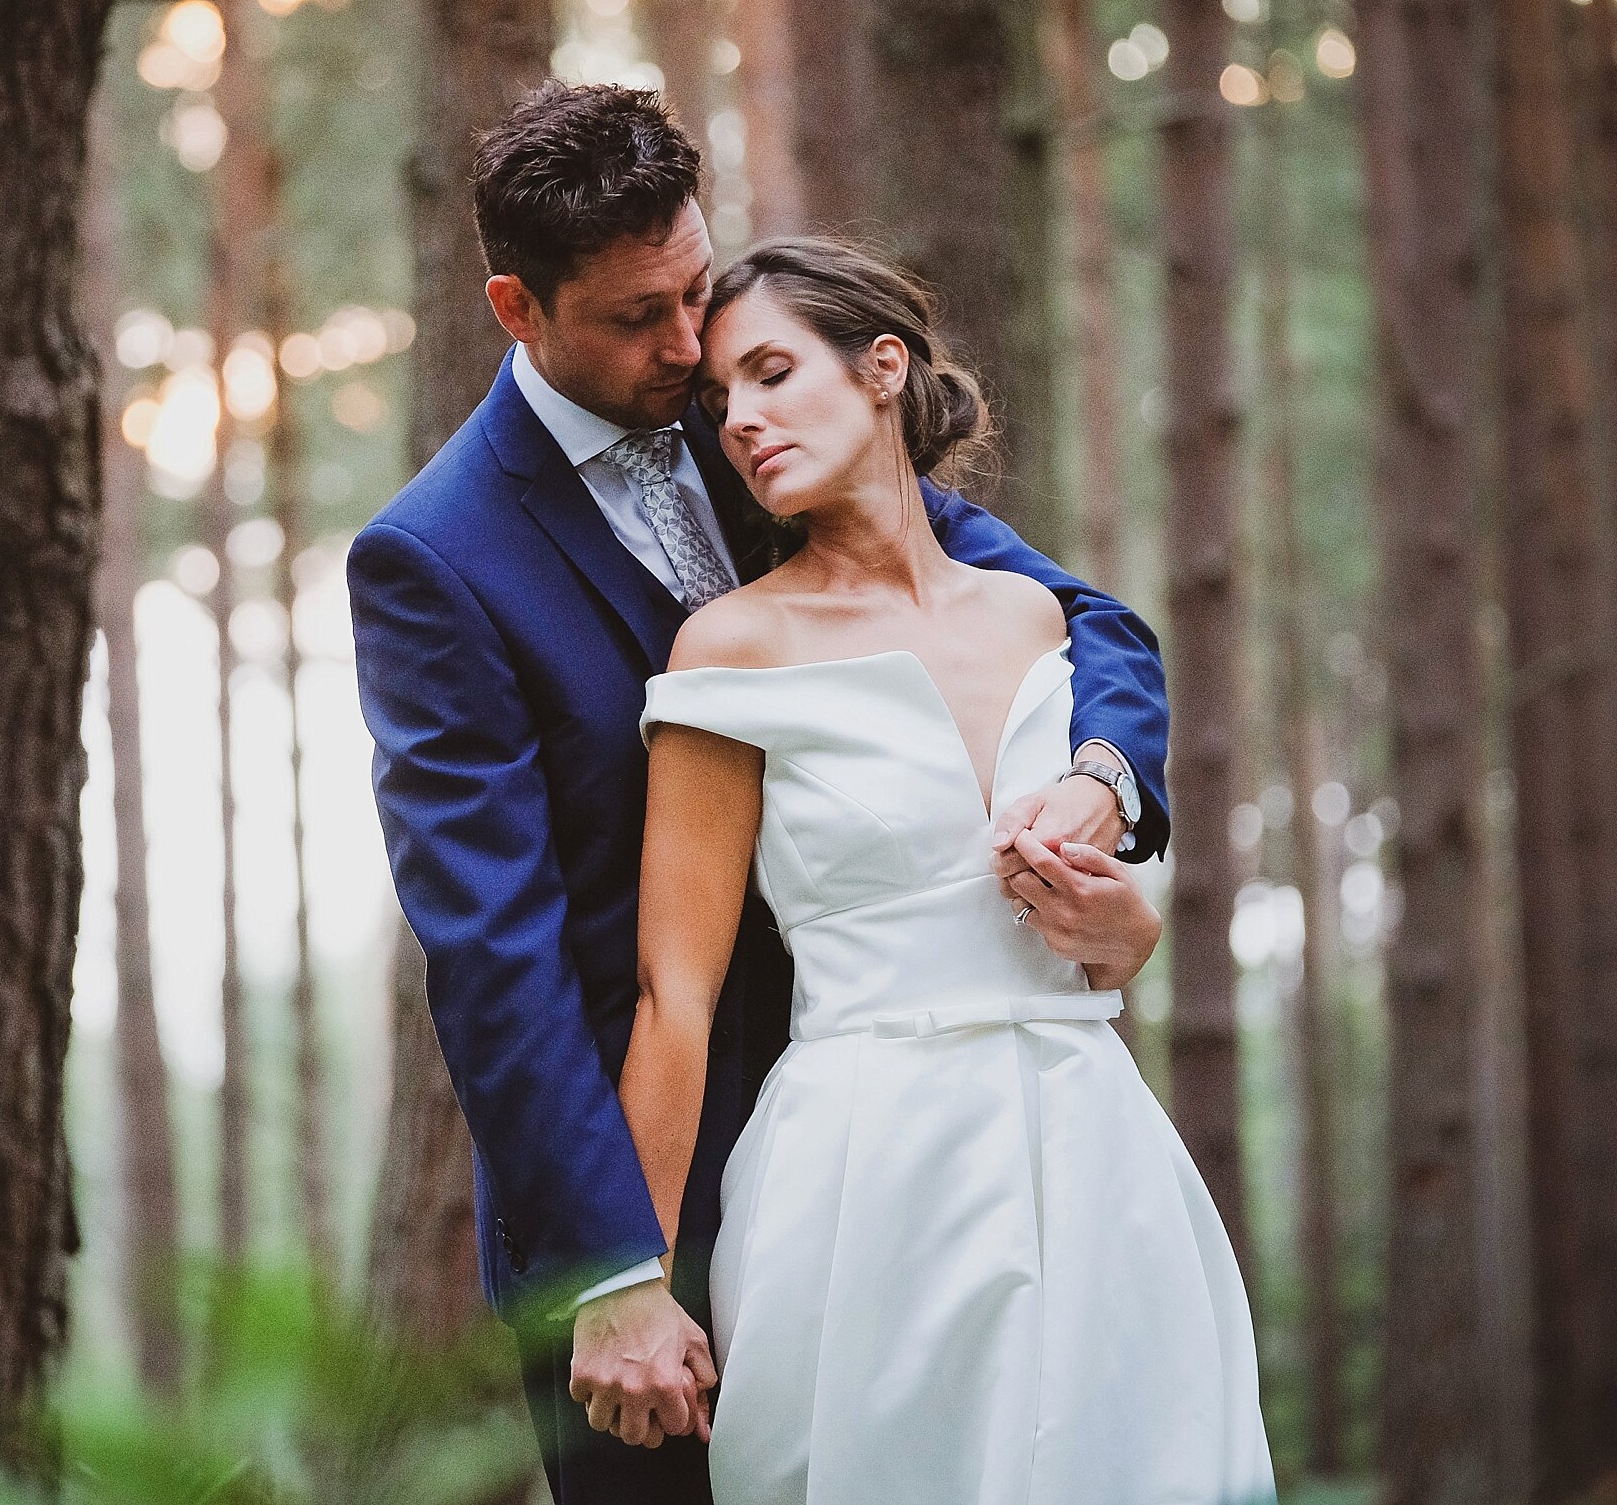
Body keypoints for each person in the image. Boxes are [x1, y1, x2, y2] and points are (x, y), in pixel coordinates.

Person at [347, 82, 1169, 1505]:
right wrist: (619, 1267)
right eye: (634, 317)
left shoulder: (769, 421)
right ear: (516, 308)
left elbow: (1086, 621)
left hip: (918, 1140)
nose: (687, 351)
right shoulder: (436, 559)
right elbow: (495, 956)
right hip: (634, 1172)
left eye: (694, 289)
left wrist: (1103, 779)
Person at [622, 236, 1274, 1504]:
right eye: (718, 399)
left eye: (768, 372)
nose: (741, 420)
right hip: (867, 1166)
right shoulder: (731, 648)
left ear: (882, 368)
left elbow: (1095, 918)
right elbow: (675, 992)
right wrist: (636, 1278)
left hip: (1094, 1140)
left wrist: (1115, 936)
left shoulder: (1037, 618)